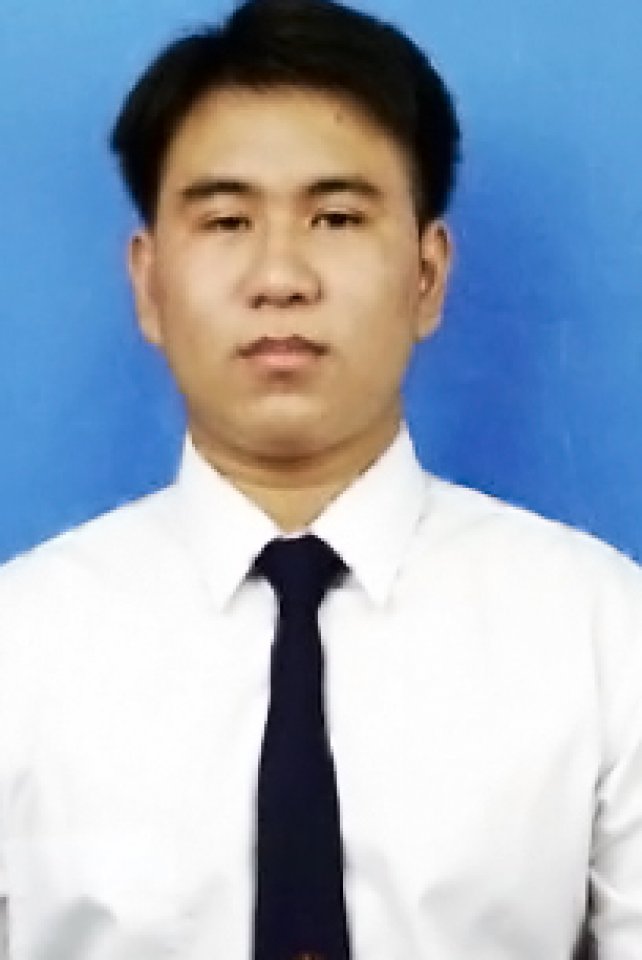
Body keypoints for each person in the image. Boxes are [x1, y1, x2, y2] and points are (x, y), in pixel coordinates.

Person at [0, 0, 640, 956]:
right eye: (226, 220)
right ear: (149, 283)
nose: (281, 277)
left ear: (426, 276)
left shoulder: (602, 630)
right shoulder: (20, 646)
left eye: (336, 217)